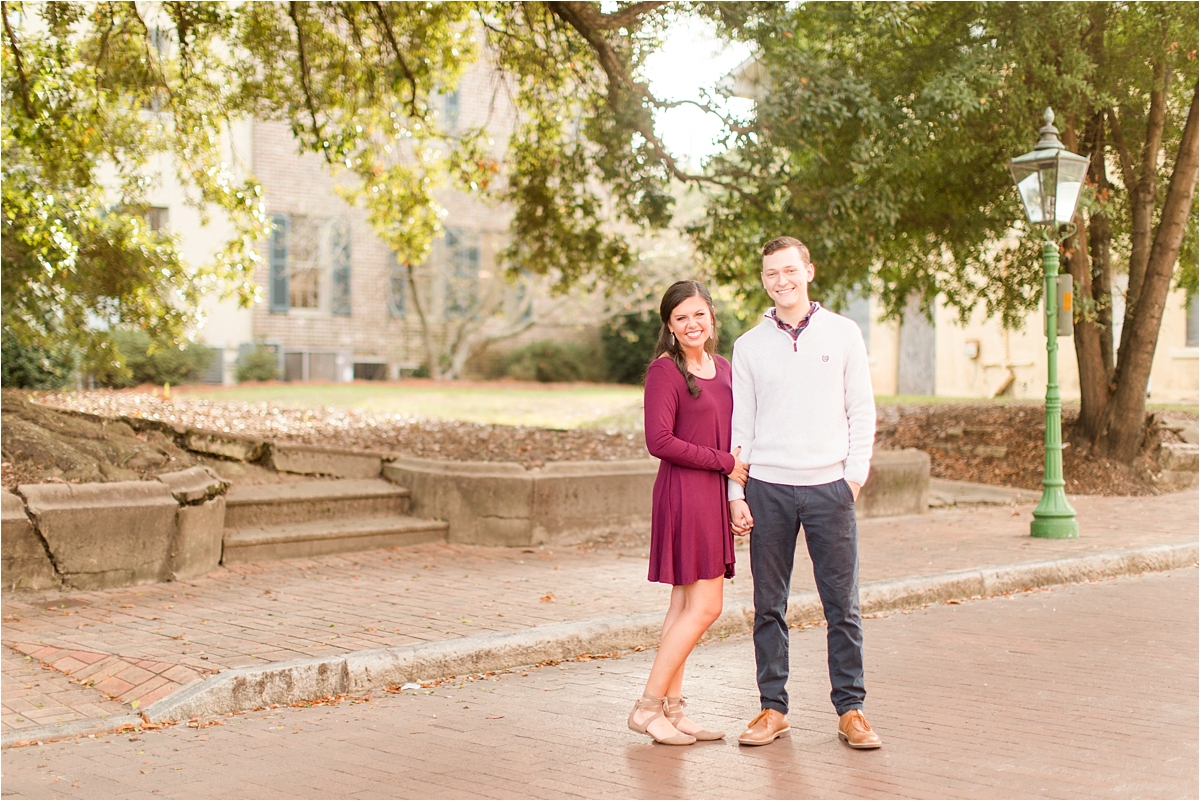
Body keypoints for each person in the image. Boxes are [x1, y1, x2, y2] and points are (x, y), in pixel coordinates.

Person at [728, 236, 881, 749]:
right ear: (764, 279)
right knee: (768, 604)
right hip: (767, 487)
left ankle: (851, 710)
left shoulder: (842, 333)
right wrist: (736, 491)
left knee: (843, 604)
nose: (781, 280)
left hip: (828, 488)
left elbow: (861, 408)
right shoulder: (749, 345)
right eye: (771, 273)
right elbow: (740, 425)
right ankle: (773, 709)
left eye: (790, 270)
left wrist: (853, 476)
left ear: (809, 271)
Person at [627, 280, 750, 746]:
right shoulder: (666, 371)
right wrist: (724, 464)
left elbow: (734, 436)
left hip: (714, 493)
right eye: (681, 318)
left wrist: (735, 490)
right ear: (670, 327)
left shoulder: (722, 368)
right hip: (685, 493)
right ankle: (647, 707)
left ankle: (673, 710)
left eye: (699, 314)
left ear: (712, 317)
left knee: (683, 606)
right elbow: (658, 441)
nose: (692, 324)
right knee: (707, 606)